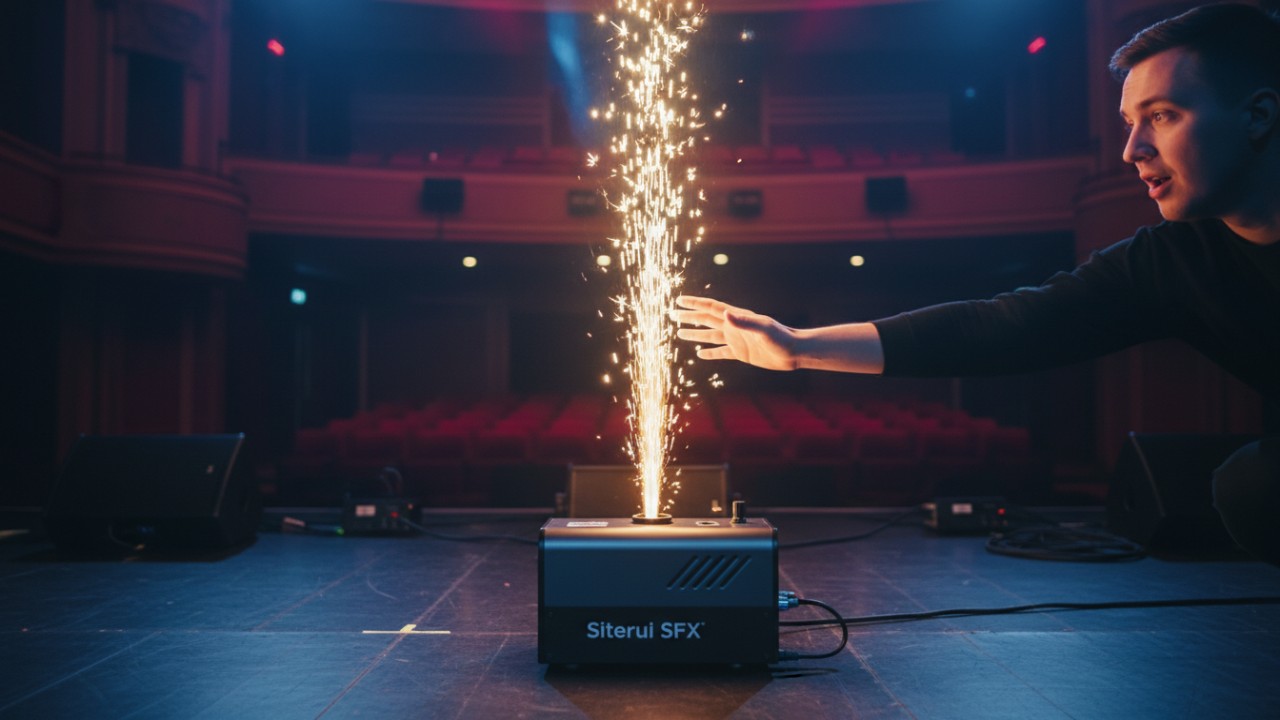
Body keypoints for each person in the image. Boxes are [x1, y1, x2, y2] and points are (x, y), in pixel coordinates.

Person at [674, 3, 1280, 564]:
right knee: (1250, 486)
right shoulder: (1174, 260)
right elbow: (1005, 325)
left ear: (1257, 115)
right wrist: (800, 347)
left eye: (1163, 116)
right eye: (1128, 122)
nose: (1130, 150)